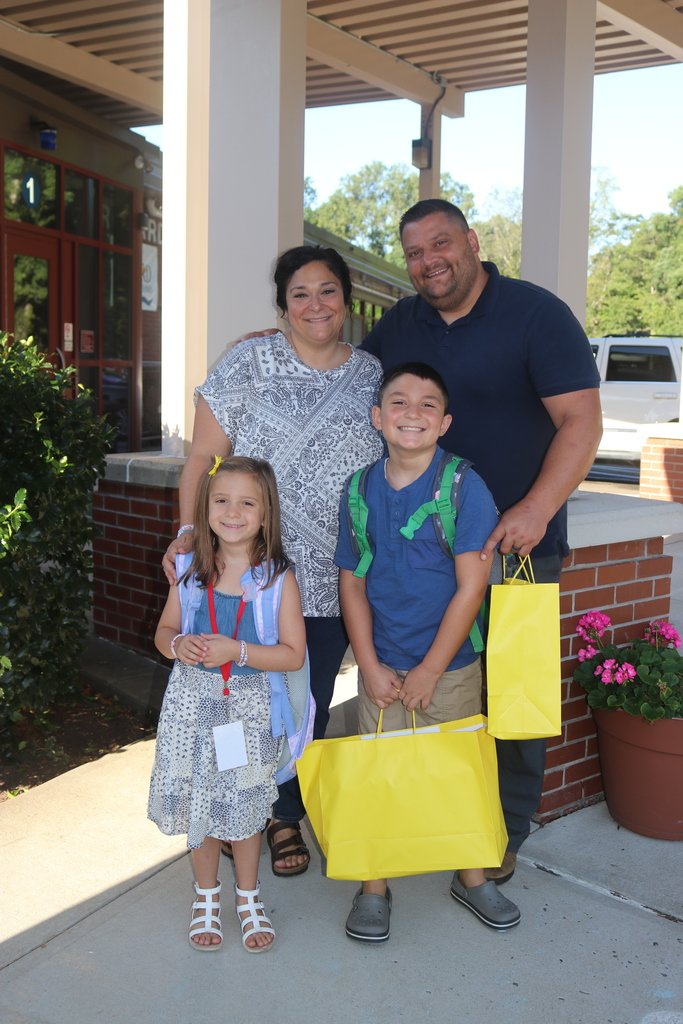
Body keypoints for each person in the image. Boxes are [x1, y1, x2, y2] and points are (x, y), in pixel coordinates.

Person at [360, 199, 602, 882]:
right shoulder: (399, 324)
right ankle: (429, 816)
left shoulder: (535, 314)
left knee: (512, 696)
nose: (428, 261)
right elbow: (347, 389)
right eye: (413, 252)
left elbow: (580, 423)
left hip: (513, 550)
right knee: (427, 686)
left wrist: (535, 507)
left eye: (440, 244)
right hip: (418, 557)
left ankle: (502, 830)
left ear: (470, 242)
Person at [162, 245, 384, 877]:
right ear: (282, 305)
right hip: (247, 572)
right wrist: (188, 537)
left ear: (346, 300)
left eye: (328, 291)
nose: (315, 305)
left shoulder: (373, 374)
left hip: (334, 574)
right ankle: (236, 813)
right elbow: (203, 459)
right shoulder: (247, 361)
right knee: (231, 699)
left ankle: (280, 812)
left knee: (298, 704)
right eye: (300, 294)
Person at [335, 362, 520, 941]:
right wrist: (367, 664)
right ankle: (374, 885)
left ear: (444, 423)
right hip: (382, 664)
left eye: (427, 405)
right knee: (380, 774)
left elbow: (473, 586)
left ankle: (470, 878)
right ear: (377, 418)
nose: (412, 413)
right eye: (398, 402)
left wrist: (432, 670)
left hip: (453, 665)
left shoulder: (464, 486)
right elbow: (352, 583)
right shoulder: (358, 488)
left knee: (458, 774)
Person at [149, 455, 307, 952]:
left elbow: (292, 654)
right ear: (205, 506)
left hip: (247, 713)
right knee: (201, 803)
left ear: (266, 514)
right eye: (221, 500)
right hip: (193, 712)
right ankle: (206, 896)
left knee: (241, 807)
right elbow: (164, 632)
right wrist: (179, 646)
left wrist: (235, 651)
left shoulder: (277, 579)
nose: (232, 512)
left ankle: (247, 897)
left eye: (246, 503)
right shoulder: (191, 572)